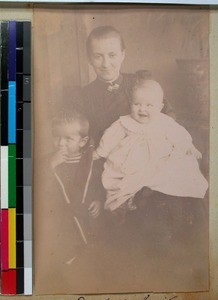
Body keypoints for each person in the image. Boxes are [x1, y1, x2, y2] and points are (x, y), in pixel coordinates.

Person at [93, 74, 208, 212]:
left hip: (158, 158)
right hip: (133, 160)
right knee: (124, 178)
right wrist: (100, 152)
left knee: (177, 167)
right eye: (137, 104)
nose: (142, 109)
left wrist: (189, 146)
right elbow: (111, 136)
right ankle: (131, 197)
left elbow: (178, 133)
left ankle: (159, 194)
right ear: (131, 104)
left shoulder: (164, 121)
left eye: (149, 105)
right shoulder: (124, 122)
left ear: (160, 107)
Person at [35, 108, 102, 293]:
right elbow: (37, 187)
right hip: (61, 219)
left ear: (83, 141)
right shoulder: (48, 160)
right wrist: (50, 165)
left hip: (86, 217)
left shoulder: (91, 161)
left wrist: (99, 200)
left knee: (92, 256)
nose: (60, 144)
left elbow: (99, 183)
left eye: (68, 139)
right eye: (56, 137)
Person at [82, 25, 174, 145]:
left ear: (122, 55)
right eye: (98, 56)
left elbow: (169, 116)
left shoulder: (140, 83)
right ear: (89, 59)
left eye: (112, 55)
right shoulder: (83, 97)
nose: (106, 64)